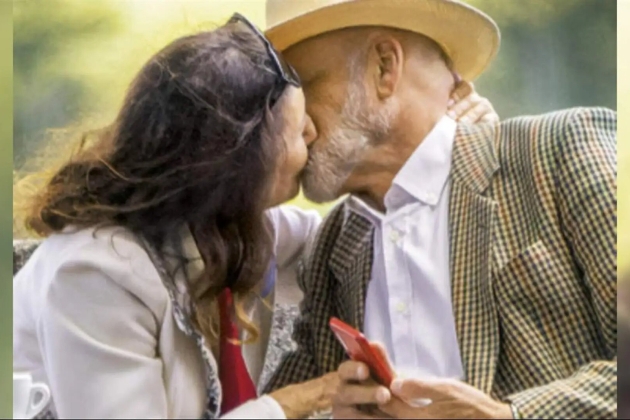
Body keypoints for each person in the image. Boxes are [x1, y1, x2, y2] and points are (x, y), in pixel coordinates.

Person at [12, 12, 498, 420]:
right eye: (296, 125)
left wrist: (451, 147)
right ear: (233, 152)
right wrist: (297, 401)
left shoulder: (233, 230)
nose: (312, 133)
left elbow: (379, 228)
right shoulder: (96, 271)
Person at [262, 1, 617, 419]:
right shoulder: (332, 248)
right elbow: (291, 405)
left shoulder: (561, 153)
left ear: (384, 67)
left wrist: (513, 417)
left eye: (302, 89)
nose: (289, 121)